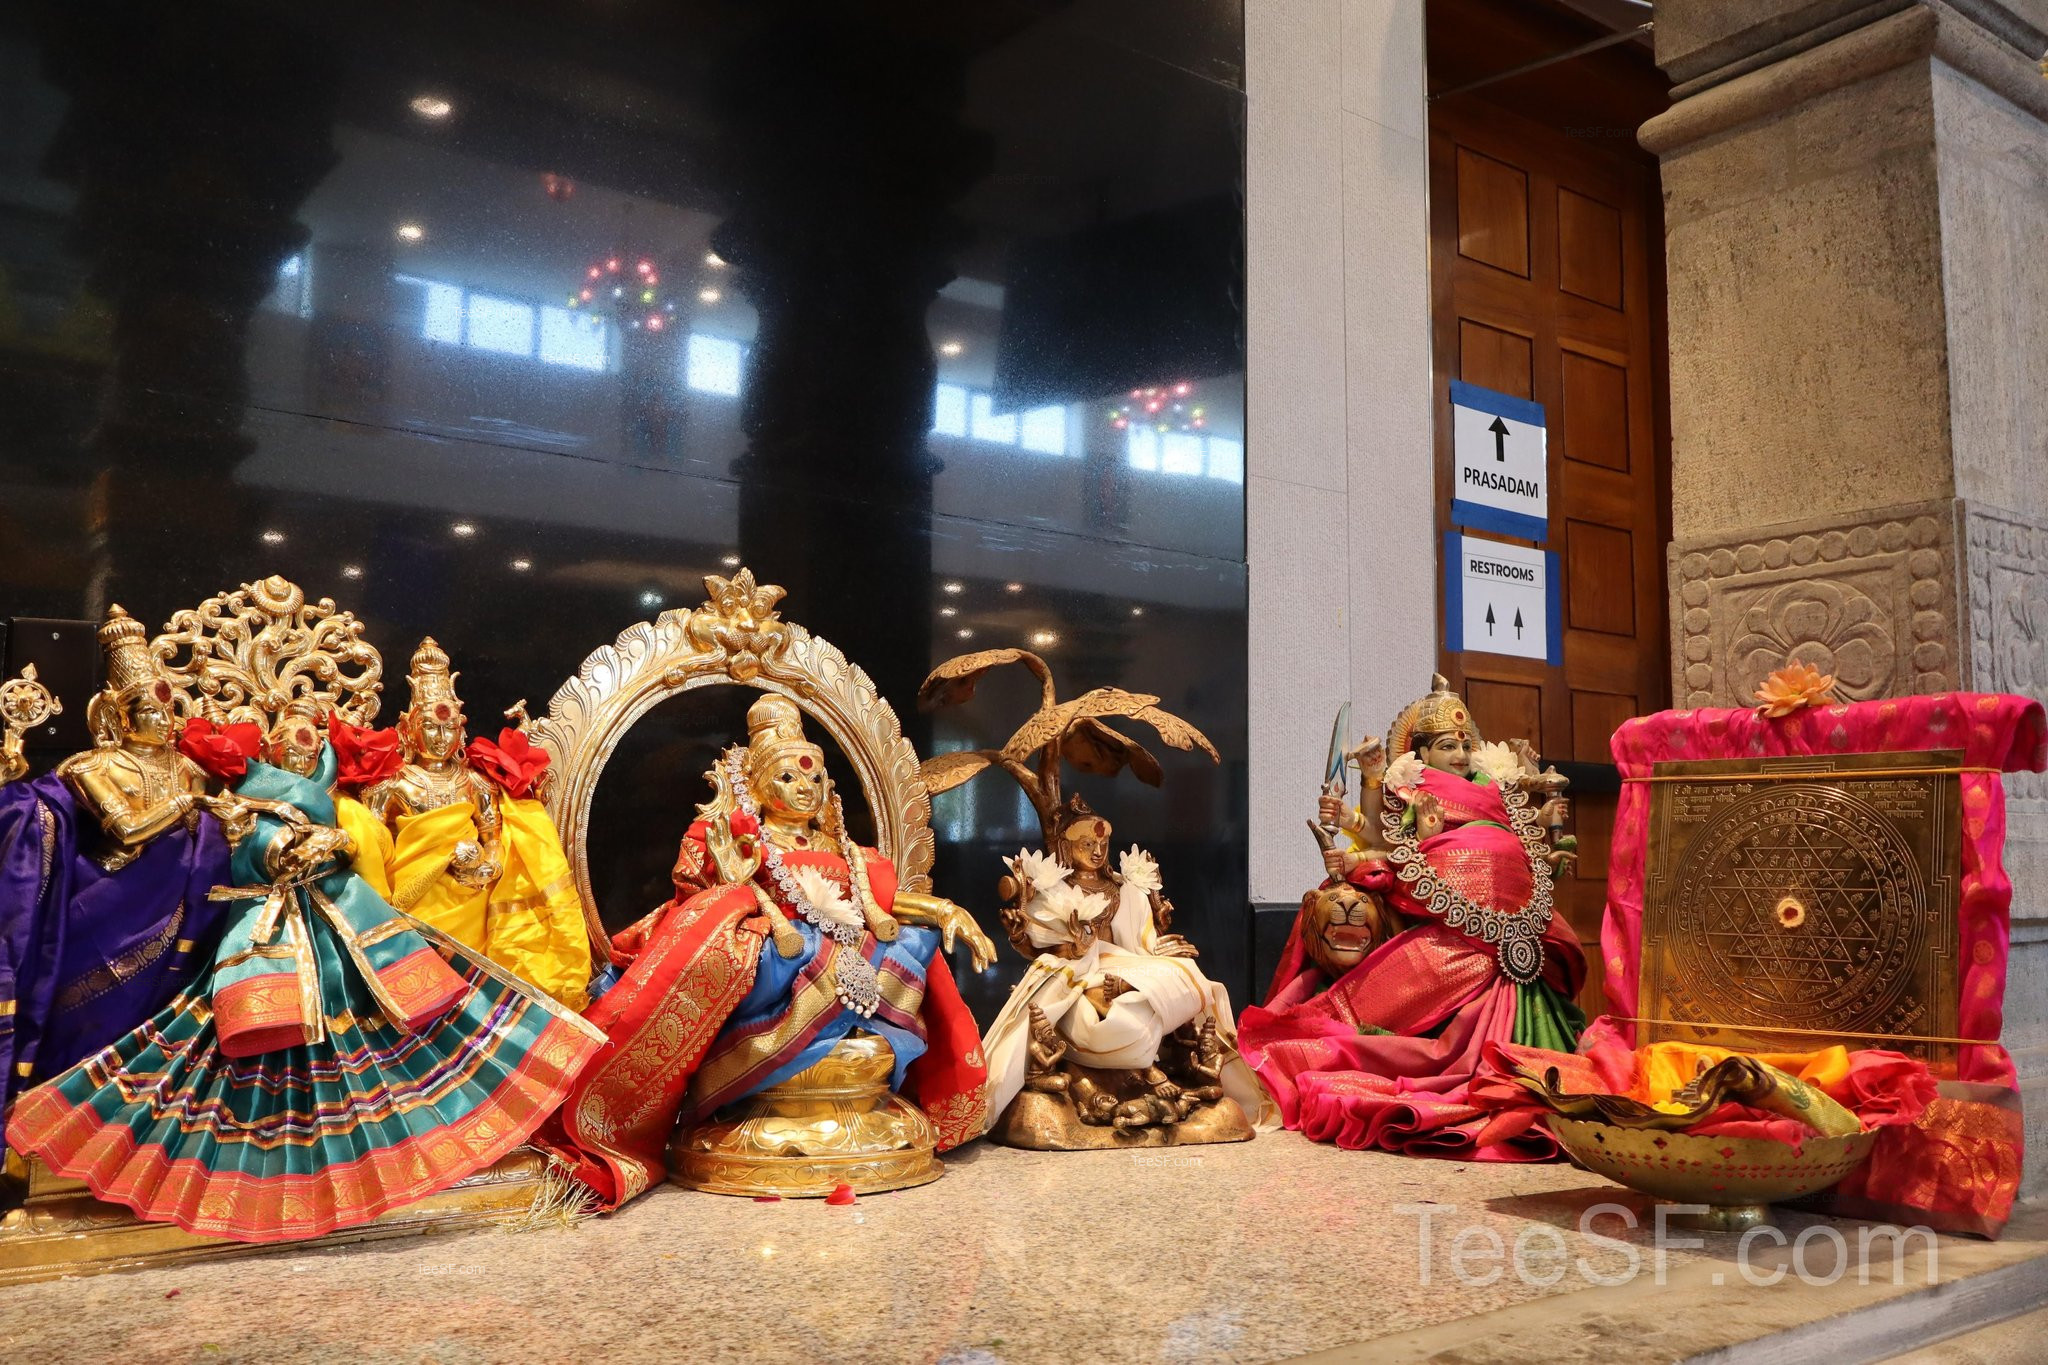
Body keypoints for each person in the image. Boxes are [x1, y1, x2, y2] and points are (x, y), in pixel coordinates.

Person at [5, 701, 604, 1242]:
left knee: (399, 1032)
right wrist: (278, 851)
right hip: (267, 929)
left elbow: (360, 845)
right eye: (287, 743)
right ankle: (257, 1179)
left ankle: (410, 1155)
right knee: (250, 1043)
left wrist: (335, 845)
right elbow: (236, 851)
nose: (299, 749)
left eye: (310, 740)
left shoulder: (344, 798)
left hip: (349, 928)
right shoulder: (242, 794)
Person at [542, 694, 993, 1206]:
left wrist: (944, 909)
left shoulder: (842, 849)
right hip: (784, 970)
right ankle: (770, 1065)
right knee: (773, 955)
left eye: (815, 778)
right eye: (787, 777)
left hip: (854, 960)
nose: (805, 788)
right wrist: (735, 884)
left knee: (914, 944)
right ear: (753, 786)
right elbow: (698, 903)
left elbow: (881, 904)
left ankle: (854, 1053)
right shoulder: (742, 842)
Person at [1239, 675, 1585, 1159]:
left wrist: (1545, 828)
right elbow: (1386, 839)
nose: (1461, 755)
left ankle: (1537, 1063)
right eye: (1447, 745)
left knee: (1527, 969)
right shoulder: (1413, 784)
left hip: (1520, 912)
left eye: (1467, 745)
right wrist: (1368, 819)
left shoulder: (1495, 788)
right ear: (1421, 752)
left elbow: (1533, 839)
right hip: (1448, 901)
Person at [0, 607, 230, 1150]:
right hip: (107, 908)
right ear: (113, 714)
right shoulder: (91, 766)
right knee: (83, 1021)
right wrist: (192, 803)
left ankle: (133, 1146)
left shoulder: (189, 768)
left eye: (168, 707)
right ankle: (50, 1142)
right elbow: (125, 831)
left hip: (177, 913)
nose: (161, 719)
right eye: (146, 708)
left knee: (152, 1032)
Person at [975, 799, 1266, 1135]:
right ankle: (1138, 1060)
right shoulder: (1054, 889)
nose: (1097, 851)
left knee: (1184, 970)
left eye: (1102, 844)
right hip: (1078, 970)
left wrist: (1163, 944)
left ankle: (1135, 995)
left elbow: (1140, 940)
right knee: (1106, 1002)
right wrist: (1020, 935)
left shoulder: (1122, 888)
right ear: (1068, 848)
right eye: (1087, 844)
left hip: (1125, 962)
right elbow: (1039, 944)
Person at [362, 639, 592, 1008]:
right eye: (431, 728)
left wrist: (487, 867)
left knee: (473, 992)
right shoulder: (391, 786)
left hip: (471, 900)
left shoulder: (475, 783)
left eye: (448, 728)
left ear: (461, 728)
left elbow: (494, 838)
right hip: (412, 904)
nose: (440, 739)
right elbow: (373, 851)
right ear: (407, 727)